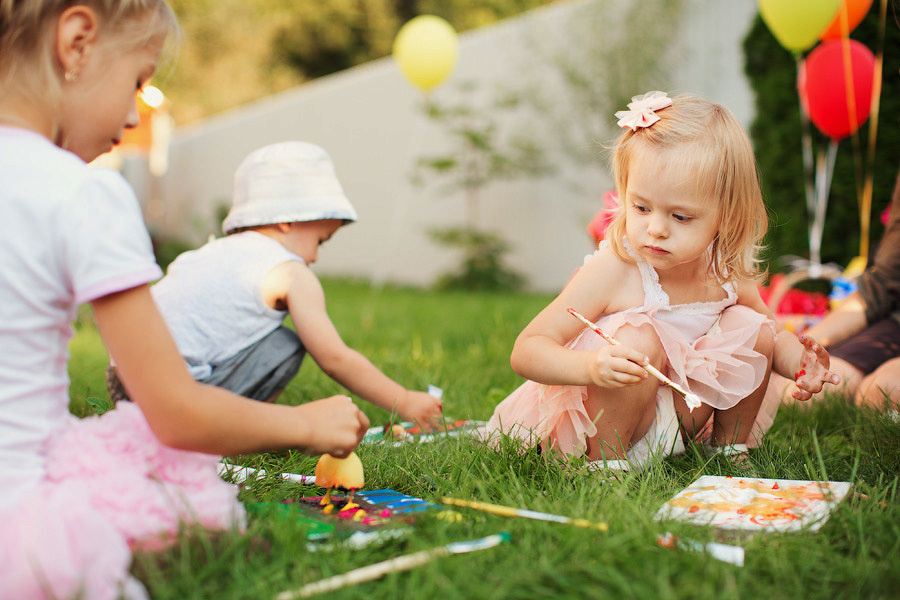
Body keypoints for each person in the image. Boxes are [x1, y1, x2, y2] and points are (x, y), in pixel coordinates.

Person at [0, 2, 369, 598]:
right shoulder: (83, 194)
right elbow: (172, 411)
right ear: (76, 42)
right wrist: (303, 422)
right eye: (138, 82)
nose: (132, 113)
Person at [484, 91, 840, 470]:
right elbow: (527, 349)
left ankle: (727, 449)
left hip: (677, 421)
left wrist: (800, 365)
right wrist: (590, 366)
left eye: (681, 217)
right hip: (599, 424)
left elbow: (767, 337)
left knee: (752, 327)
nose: (655, 229)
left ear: (726, 215)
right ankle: (606, 467)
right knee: (638, 336)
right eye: (641, 207)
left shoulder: (724, 270)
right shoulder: (616, 269)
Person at [106, 141, 444, 427]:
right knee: (285, 345)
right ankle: (246, 427)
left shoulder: (211, 253)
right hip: (175, 397)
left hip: (125, 378)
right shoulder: (289, 272)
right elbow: (334, 358)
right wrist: (406, 401)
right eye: (321, 241)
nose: (315, 257)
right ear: (287, 221)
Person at [774, 166, 900, 409]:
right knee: (798, 395)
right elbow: (882, 284)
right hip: (894, 320)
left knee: (883, 393)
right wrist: (800, 349)